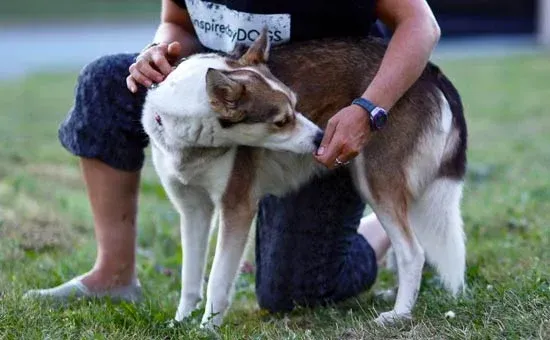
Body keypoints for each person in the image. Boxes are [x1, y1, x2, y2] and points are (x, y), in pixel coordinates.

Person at [25, 0, 441, 314]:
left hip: (327, 107)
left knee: (293, 293)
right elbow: (178, 21)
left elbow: (421, 25)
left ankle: (385, 231)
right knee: (106, 81)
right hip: (226, 98)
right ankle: (113, 275)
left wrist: (369, 109)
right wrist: (160, 49)